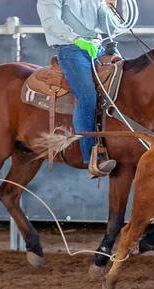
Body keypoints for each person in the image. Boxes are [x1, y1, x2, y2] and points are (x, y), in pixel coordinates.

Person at [37, 0, 118, 177]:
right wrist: (77, 40)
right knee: (87, 96)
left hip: (97, 48)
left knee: (125, 82)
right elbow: (51, 21)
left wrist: (111, 8)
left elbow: (110, 28)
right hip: (71, 49)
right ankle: (92, 156)